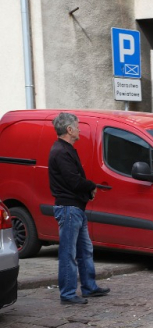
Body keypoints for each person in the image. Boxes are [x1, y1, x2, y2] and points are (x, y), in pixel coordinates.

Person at [48, 112, 110, 305]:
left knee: (85, 250)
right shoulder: (61, 151)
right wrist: (91, 186)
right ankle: (67, 294)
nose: (80, 129)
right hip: (68, 208)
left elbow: (74, 180)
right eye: (77, 125)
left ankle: (89, 287)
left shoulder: (66, 149)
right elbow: (74, 181)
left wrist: (88, 190)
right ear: (69, 129)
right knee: (68, 253)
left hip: (75, 208)